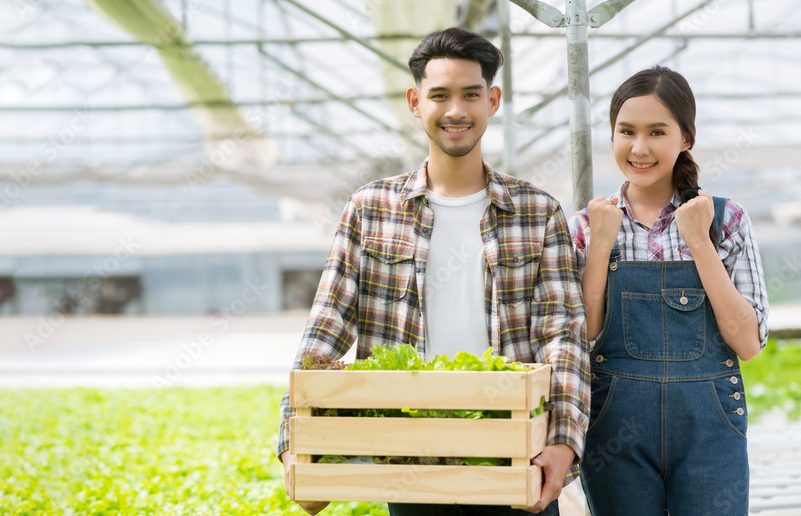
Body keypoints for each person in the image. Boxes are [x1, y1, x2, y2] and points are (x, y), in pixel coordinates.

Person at [277, 27, 589, 516]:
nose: (456, 111)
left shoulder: (537, 212)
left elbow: (562, 334)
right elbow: (327, 325)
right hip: (409, 458)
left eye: (470, 94)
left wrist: (564, 442)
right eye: (439, 95)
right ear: (414, 102)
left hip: (512, 454)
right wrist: (295, 438)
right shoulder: (370, 209)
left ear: (493, 99)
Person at [568, 66, 769, 515]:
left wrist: (700, 242)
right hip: (615, 426)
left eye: (657, 132)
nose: (639, 148)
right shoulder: (586, 226)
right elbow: (584, 339)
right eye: (626, 131)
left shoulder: (726, 220)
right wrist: (600, 247)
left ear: (685, 139)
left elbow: (748, 342)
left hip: (709, 427)